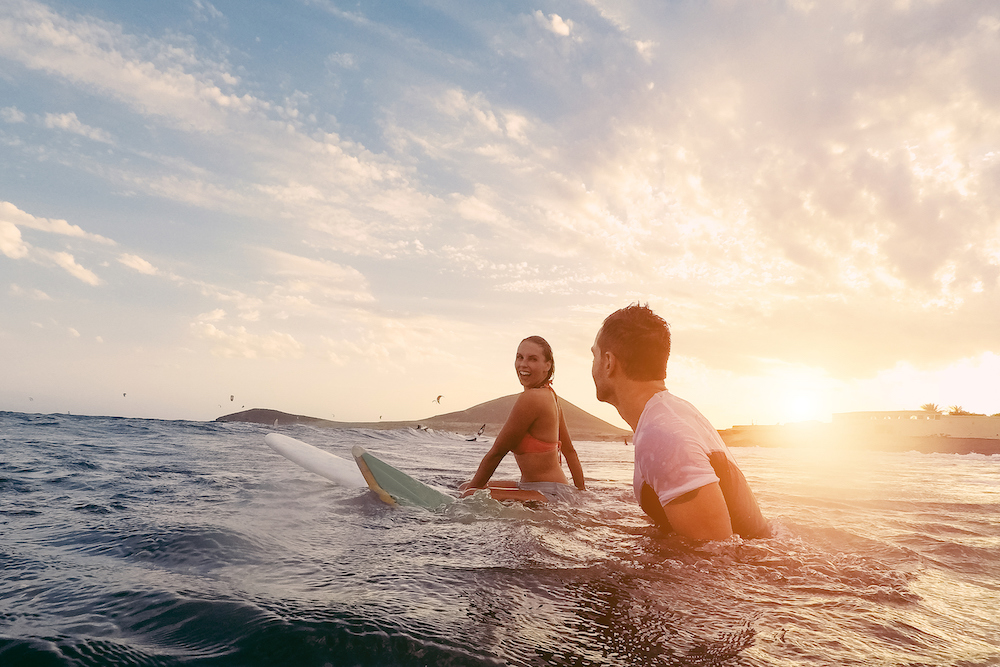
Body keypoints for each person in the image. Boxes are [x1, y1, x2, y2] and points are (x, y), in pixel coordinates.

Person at [591, 305, 770, 540]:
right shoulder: (671, 414)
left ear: (607, 362)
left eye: (593, 356)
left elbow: (717, 558)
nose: (592, 368)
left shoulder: (661, 436)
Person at [459, 336, 586, 502]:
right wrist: (581, 492)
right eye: (520, 357)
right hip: (550, 488)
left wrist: (465, 498)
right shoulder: (550, 395)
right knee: (465, 486)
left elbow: (497, 453)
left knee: (468, 492)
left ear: (547, 365)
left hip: (548, 493)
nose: (523, 364)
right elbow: (570, 451)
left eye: (532, 359)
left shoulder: (531, 398)